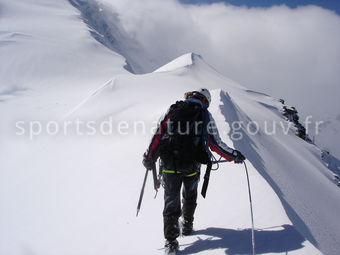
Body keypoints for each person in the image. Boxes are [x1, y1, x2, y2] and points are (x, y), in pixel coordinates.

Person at [142, 88, 245, 252]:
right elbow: (215, 144)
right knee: (189, 196)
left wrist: (149, 157)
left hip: (169, 167)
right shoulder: (205, 115)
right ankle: (187, 224)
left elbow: (158, 134)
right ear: (206, 100)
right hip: (191, 166)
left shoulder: (172, 109)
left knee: (171, 202)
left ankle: (171, 242)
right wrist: (234, 156)